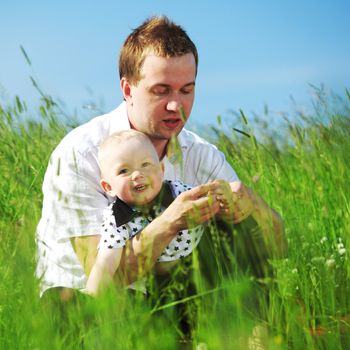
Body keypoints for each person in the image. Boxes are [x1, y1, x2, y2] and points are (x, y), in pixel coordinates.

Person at [36, 15, 286, 301]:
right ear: (128, 89)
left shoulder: (202, 156)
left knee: (237, 228)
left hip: (169, 297)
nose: (175, 105)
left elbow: (277, 250)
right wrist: (170, 223)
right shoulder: (81, 153)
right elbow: (101, 278)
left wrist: (254, 206)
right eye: (161, 90)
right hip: (85, 306)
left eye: (186, 90)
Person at [86, 129, 225, 295]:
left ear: (161, 169)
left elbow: (208, 202)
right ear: (109, 187)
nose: (137, 174)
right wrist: (93, 295)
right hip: (158, 282)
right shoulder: (117, 218)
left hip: (198, 263)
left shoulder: (177, 192)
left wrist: (217, 194)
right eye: (124, 171)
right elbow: (107, 260)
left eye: (145, 165)